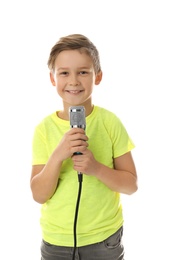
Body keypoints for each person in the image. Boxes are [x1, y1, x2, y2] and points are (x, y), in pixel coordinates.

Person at [30, 34, 138, 260]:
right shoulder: (44, 129)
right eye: (64, 73)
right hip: (56, 242)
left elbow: (131, 185)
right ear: (53, 79)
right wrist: (58, 156)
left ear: (97, 76)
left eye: (83, 72)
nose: (74, 81)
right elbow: (39, 195)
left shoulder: (110, 123)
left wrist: (96, 168)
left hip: (104, 240)